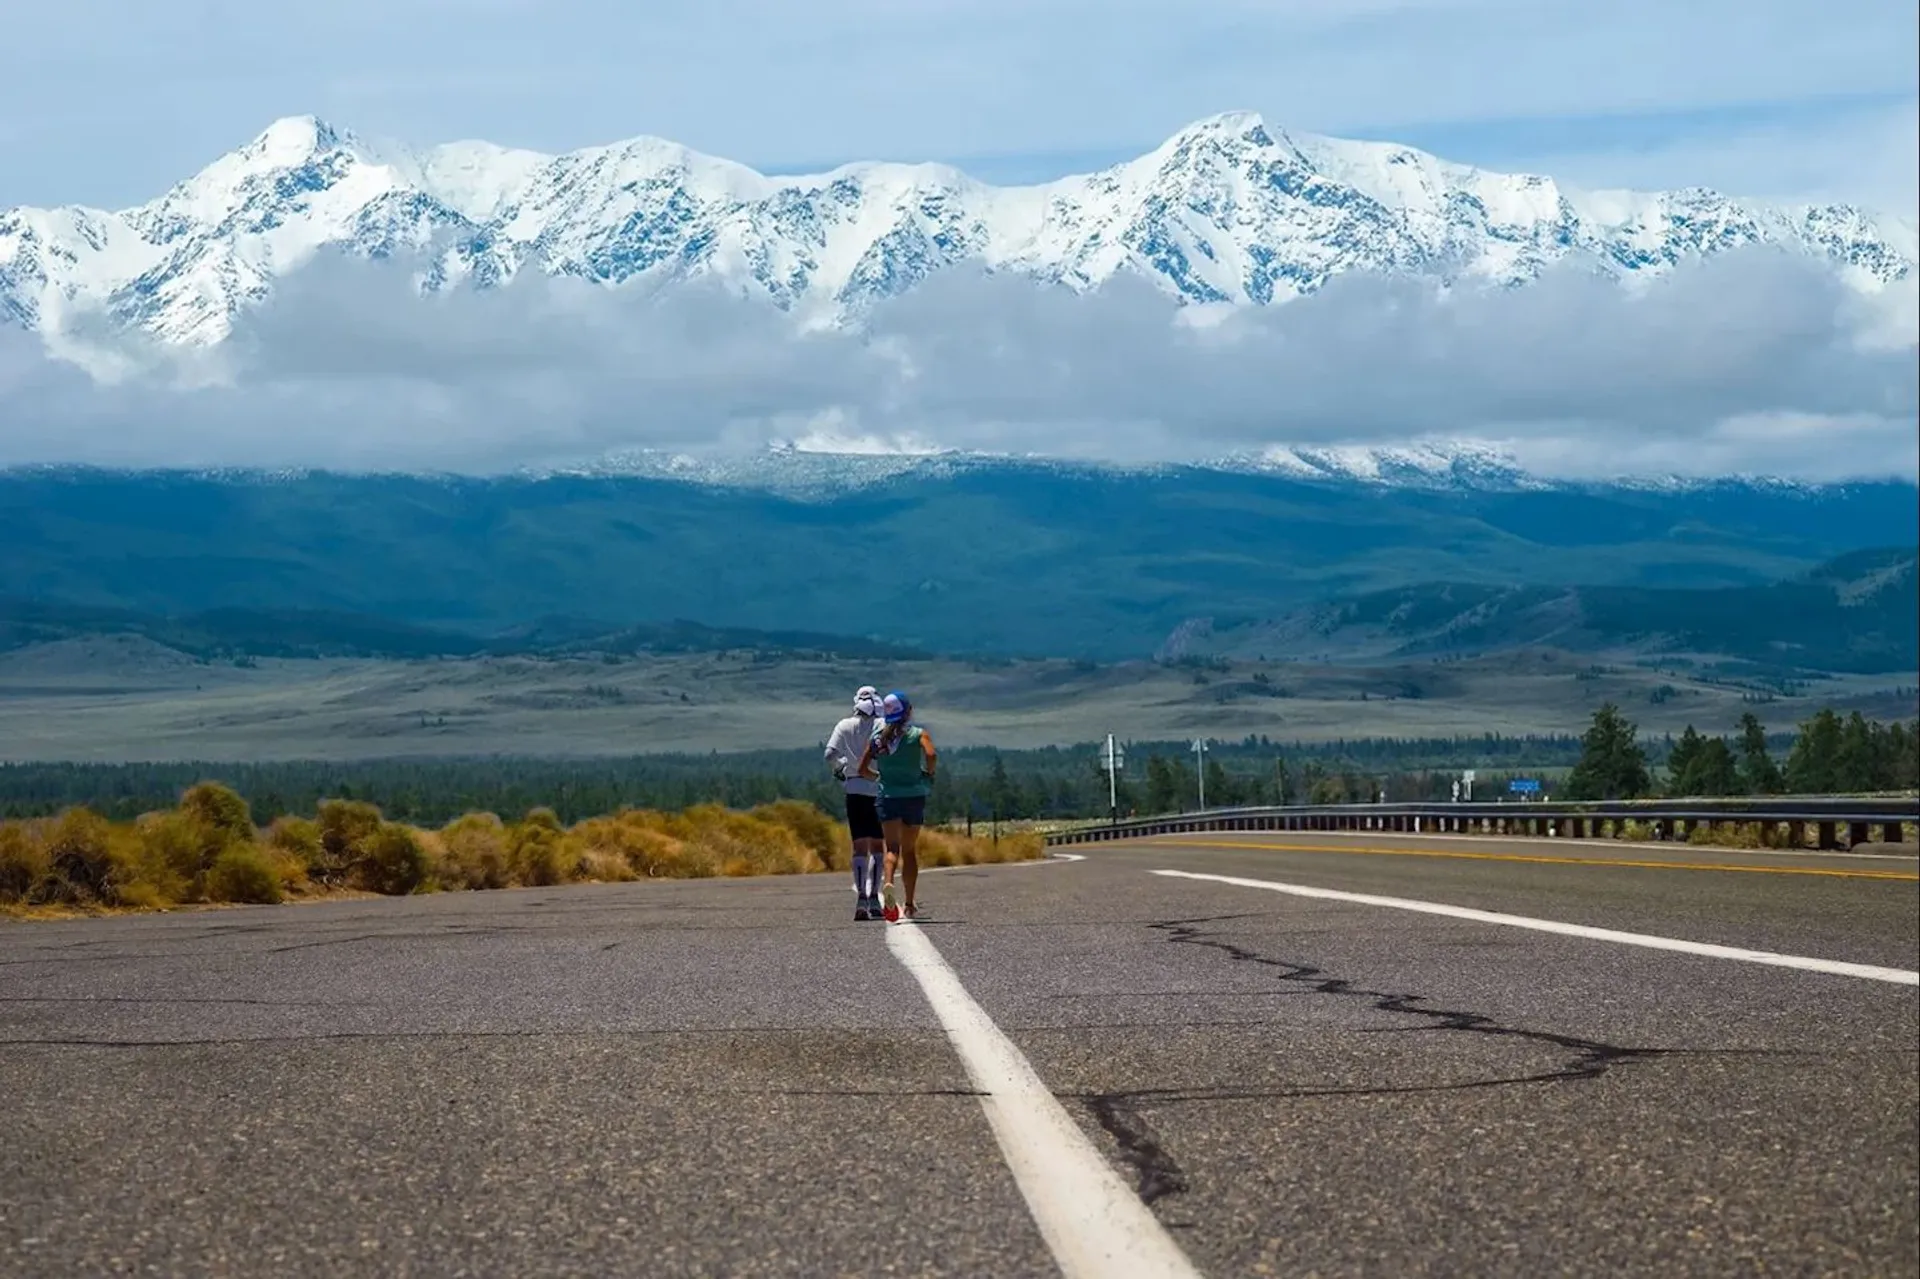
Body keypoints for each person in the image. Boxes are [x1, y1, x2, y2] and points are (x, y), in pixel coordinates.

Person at [858, 690, 937, 922]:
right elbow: (931, 755)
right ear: (908, 712)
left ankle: (889, 884)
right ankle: (910, 903)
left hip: (888, 797)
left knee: (891, 849)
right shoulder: (918, 734)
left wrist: (880, 778)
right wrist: (928, 774)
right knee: (909, 851)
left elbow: (862, 769)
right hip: (913, 796)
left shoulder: (878, 738)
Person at [824, 685, 887, 920]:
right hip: (878, 789)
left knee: (859, 846)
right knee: (878, 847)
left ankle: (861, 897)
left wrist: (841, 768)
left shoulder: (844, 725)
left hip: (853, 789)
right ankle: (874, 898)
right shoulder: (882, 725)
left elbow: (830, 753)